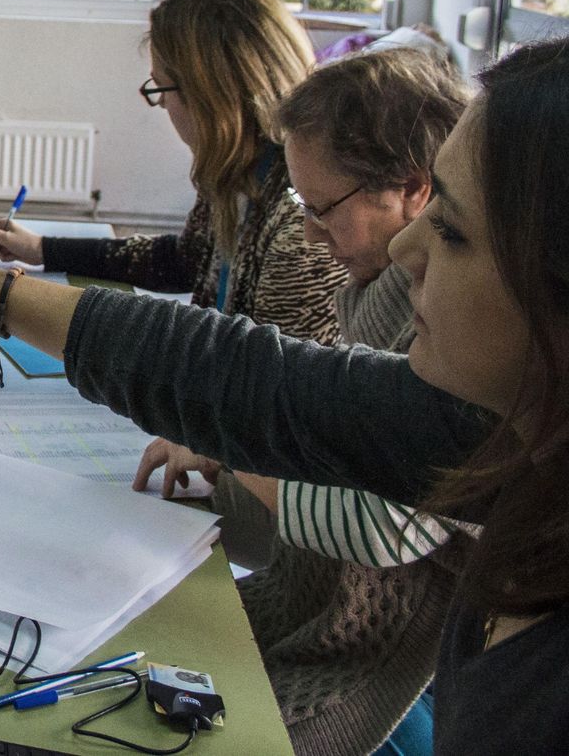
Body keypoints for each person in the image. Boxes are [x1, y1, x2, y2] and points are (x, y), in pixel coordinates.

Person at [0, 36, 569, 754]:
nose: (407, 247)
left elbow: (265, 400)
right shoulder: (483, 433)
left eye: (454, 230)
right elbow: (245, 378)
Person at [135, 48, 470, 756]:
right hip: (319, 634)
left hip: (379, 686)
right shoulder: (374, 300)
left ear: (413, 190)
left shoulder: (446, 330)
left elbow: (378, 524)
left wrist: (228, 450)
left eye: (321, 209)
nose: (311, 233)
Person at [0, 0, 348, 567]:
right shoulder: (236, 175)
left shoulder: (297, 226)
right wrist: (45, 248)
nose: (163, 106)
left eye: (163, 88)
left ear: (208, 94)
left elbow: (281, 411)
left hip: (281, 517)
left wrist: (208, 446)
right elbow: (182, 259)